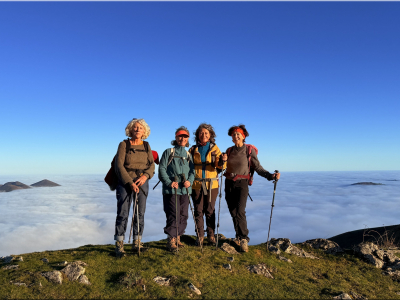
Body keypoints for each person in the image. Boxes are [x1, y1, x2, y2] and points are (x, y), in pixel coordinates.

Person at [221, 124, 280, 252]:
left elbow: (258, 168)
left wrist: (270, 176)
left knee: (240, 211)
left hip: (242, 183)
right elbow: (222, 167)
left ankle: (243, 239)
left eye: (238, 134)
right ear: (231, 138)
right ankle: (238, 236)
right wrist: (222, 160)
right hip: (228, 183)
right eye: (234, 134)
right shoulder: (229, 150)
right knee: (232, 211)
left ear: (243, 136)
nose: (236, 136)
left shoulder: (248, 151)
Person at [114, 118, 155, 258]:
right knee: (123, 213)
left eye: (140, 128)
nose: (138, 130)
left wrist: (145, 177)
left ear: (144, 131)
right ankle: (119, 244)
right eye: (135, 127)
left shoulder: (146, 145)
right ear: (130, 129)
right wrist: (130, 182)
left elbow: (152, 165)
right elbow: (119, 166)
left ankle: (137, 242)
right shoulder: (124, 144)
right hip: (125, 182)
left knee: (140, 213)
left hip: (142, 182)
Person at [158, 126, 195, 252]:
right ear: (176, 137)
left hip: (184, 190)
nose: (182, 138)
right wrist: (169, 182)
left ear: (188, 138)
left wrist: (189, 182)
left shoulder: (188, 154)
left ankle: (178, 237)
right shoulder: (169, 152)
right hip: (171, 190)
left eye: (185, 136)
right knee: (173, 213)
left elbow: (192, 171)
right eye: (180, 136)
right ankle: (171, 239)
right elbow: (162, 169)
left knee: (183, 214)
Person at [190, 123, 226, 246]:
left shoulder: (215, 148)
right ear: (197, 135)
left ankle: (211, 235)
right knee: (198, 210)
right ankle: (200, 236)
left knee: (210, 210)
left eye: (206, 133)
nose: (203, 135)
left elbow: (221, 167)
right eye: (201, 133)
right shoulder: (193, 149)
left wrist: (223, 161)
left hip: (212, 184)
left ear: (210, 135)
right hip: (197, 184)